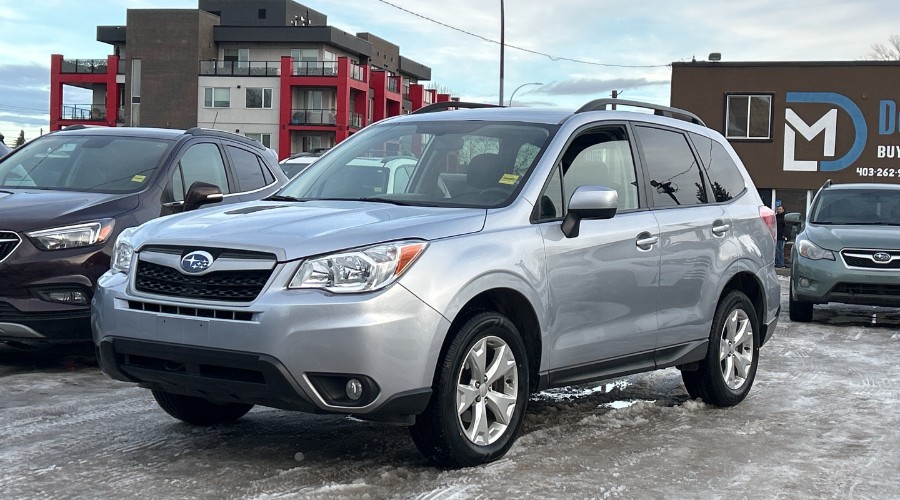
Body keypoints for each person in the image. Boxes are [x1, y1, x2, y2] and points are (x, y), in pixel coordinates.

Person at [775, 201, 787, 268]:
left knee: (780, 250)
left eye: (780, 209)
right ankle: (777, 263)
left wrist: (784, 235)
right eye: (778, 209)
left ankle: (781, 264)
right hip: (776, 236)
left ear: (783, 210)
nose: (779, 210)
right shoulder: (775, 217)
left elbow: (786, 227)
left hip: (781, 236)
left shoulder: (784, 217)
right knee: (776, 250)